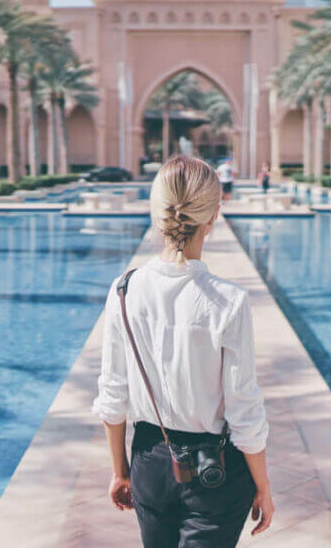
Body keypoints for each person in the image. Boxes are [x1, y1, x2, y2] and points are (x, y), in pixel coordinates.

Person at [93, 155, 273, 547]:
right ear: (213, 216)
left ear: (157, 214)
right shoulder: (229, 301)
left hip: (149, 464)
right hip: (217, 470)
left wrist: (119, 471)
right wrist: (263, 486)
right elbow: (244, 409)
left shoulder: (124, 290)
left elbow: (113, 395)